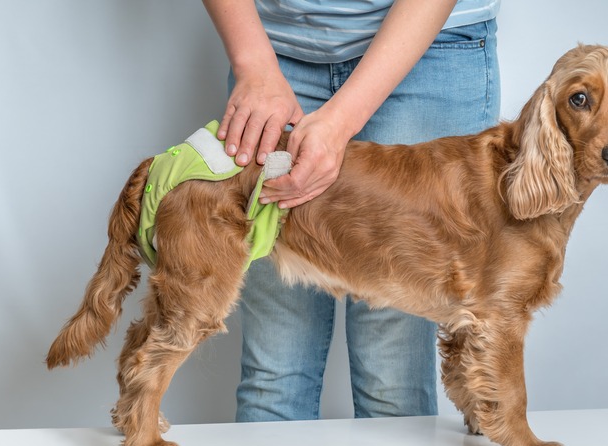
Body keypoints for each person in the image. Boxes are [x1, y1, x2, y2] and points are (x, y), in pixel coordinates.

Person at [202, 0, 501, 421]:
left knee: (392, 371)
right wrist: (254, 64)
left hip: (427, 45)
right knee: (275, 364)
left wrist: (340, 122)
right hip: (276, 48)